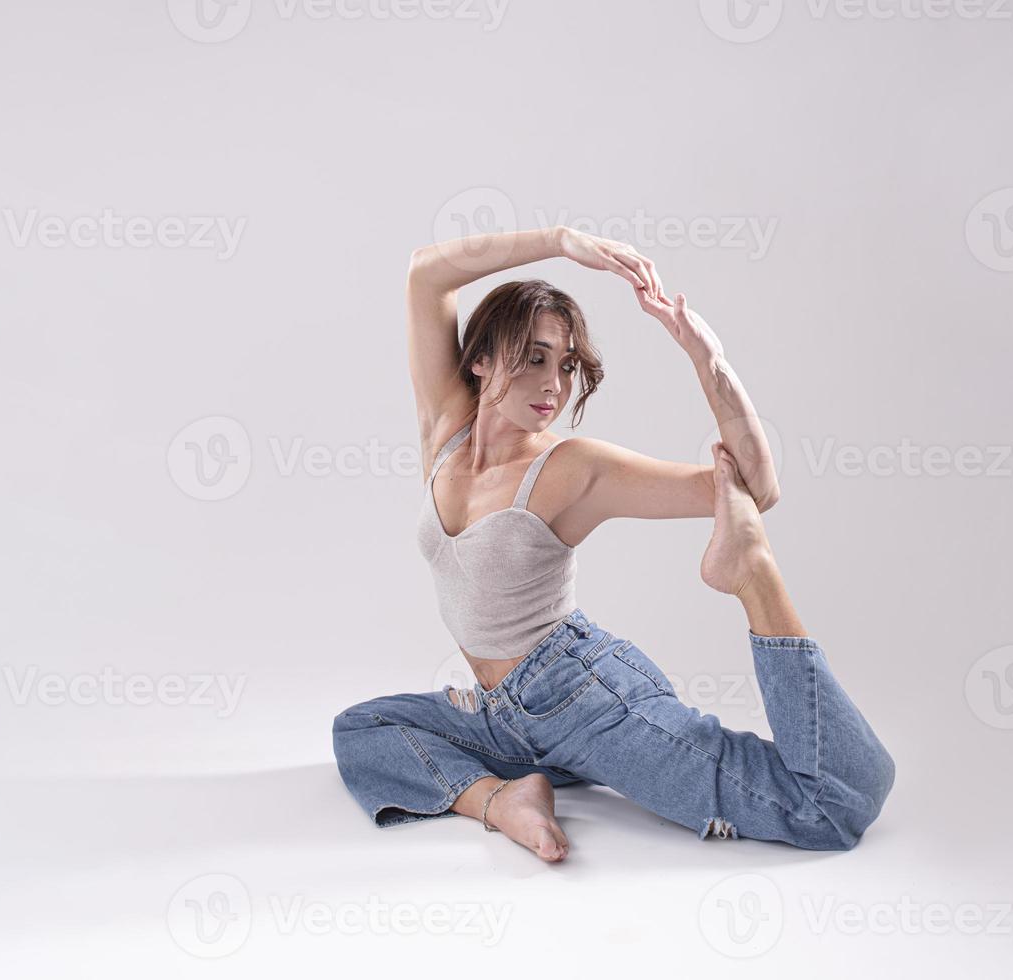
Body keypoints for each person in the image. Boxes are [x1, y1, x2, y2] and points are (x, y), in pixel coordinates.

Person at [332, 225, 894, 862]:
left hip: (583, 700)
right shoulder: (446, 431)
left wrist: (705, 357)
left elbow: (753, 486)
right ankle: (503, 800)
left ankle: (753, 571)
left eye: (566, 364)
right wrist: (563, 242)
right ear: (480, 358)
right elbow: (426, 272)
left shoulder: (571, 469)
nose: (555, 383)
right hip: (501, 716)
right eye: (536, 356)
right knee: (363, 729)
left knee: (830, 807)